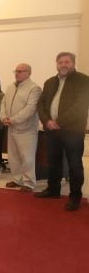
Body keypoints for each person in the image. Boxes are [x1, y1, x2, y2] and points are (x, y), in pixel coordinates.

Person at [35, 52, 89, 211]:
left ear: (73, 63)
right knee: (53, 161)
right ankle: (53, 190)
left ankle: (75, 197)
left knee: (74, 164)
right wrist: (47, 121)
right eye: (60, 62)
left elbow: (80, 106)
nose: (63, 65)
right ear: (56, 64)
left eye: (67, 62)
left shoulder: (84, 80)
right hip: (52, 130)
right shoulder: (50, 82)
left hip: (73, 130)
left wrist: (58, 122)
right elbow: (41, 104)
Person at [0, 63, 41, 192]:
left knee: (27, 158)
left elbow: (30, 109)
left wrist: (12, 120)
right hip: (11, 128)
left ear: (28, 73)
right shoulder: (10, 87)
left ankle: (29, 183)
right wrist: (3, 117)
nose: (17, 73)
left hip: (26, 129)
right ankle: (17, 179)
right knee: (13, 156)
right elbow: (3, 105)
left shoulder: (35, 89)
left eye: (20, 71)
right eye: (16, 71)